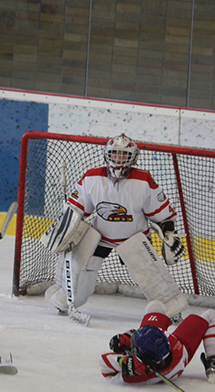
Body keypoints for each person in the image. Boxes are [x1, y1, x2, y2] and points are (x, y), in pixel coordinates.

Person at [43, 133, 188, 321]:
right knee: (80, 267)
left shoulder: (144, 180)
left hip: (134, 237)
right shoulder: (91, 177)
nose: (118, 160)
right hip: (100, 236)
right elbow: (77, 210)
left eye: (124, 155)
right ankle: (66, 296)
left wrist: (169, 234)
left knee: (150, 274)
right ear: (107, 154)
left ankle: (171, 307)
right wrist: (66, 227)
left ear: (133, 158)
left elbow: (162, 214)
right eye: (114, 154)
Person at [100, 300, 215, 385]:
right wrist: (130, 339)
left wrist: (127, 362)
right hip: (181, 349)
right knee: (211, 316)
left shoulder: (142, 374)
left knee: (155, 305)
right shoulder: (164, 352)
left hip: (160, 352)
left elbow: (104, 365)